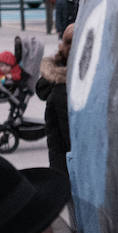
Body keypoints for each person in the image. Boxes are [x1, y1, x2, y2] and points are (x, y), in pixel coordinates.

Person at [36, 23, 73, 175]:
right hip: (67, 171)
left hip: (62, 165)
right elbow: (71, 140)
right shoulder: (63, 91)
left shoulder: (62, 86)